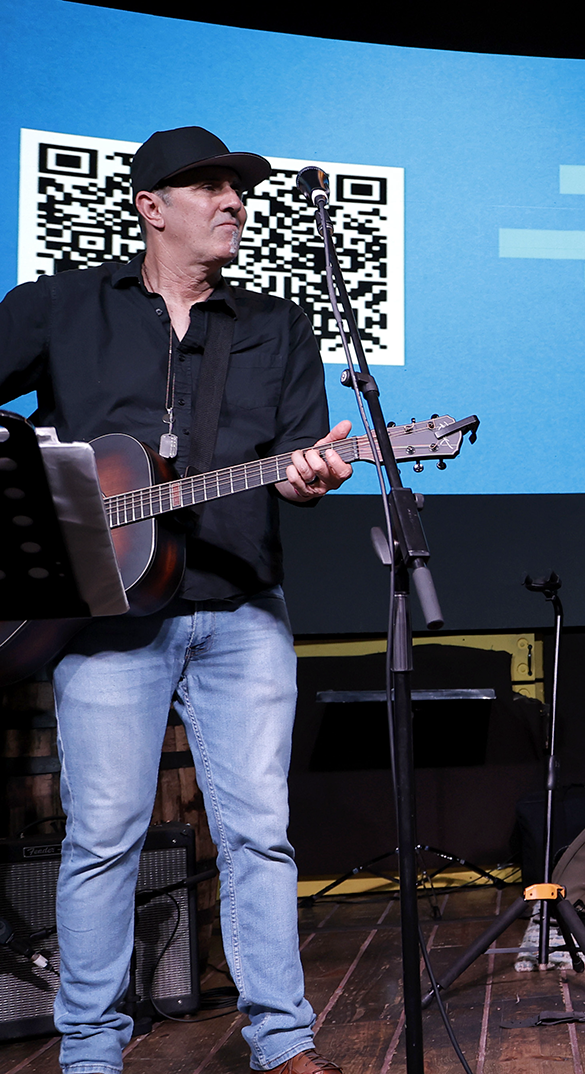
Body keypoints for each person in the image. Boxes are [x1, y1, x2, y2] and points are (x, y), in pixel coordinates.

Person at [0, 127, 353, 1074]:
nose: (233, 201)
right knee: (102, 838)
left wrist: (313, 477)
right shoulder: (63, 307)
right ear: (151, 207)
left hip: (243, 607)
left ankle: (283, 1041)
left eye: (239, 189)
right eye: (209, 187)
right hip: (104, 617)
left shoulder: (278, 326)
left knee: (260, 836)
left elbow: (298, 463)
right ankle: (90, 1052)